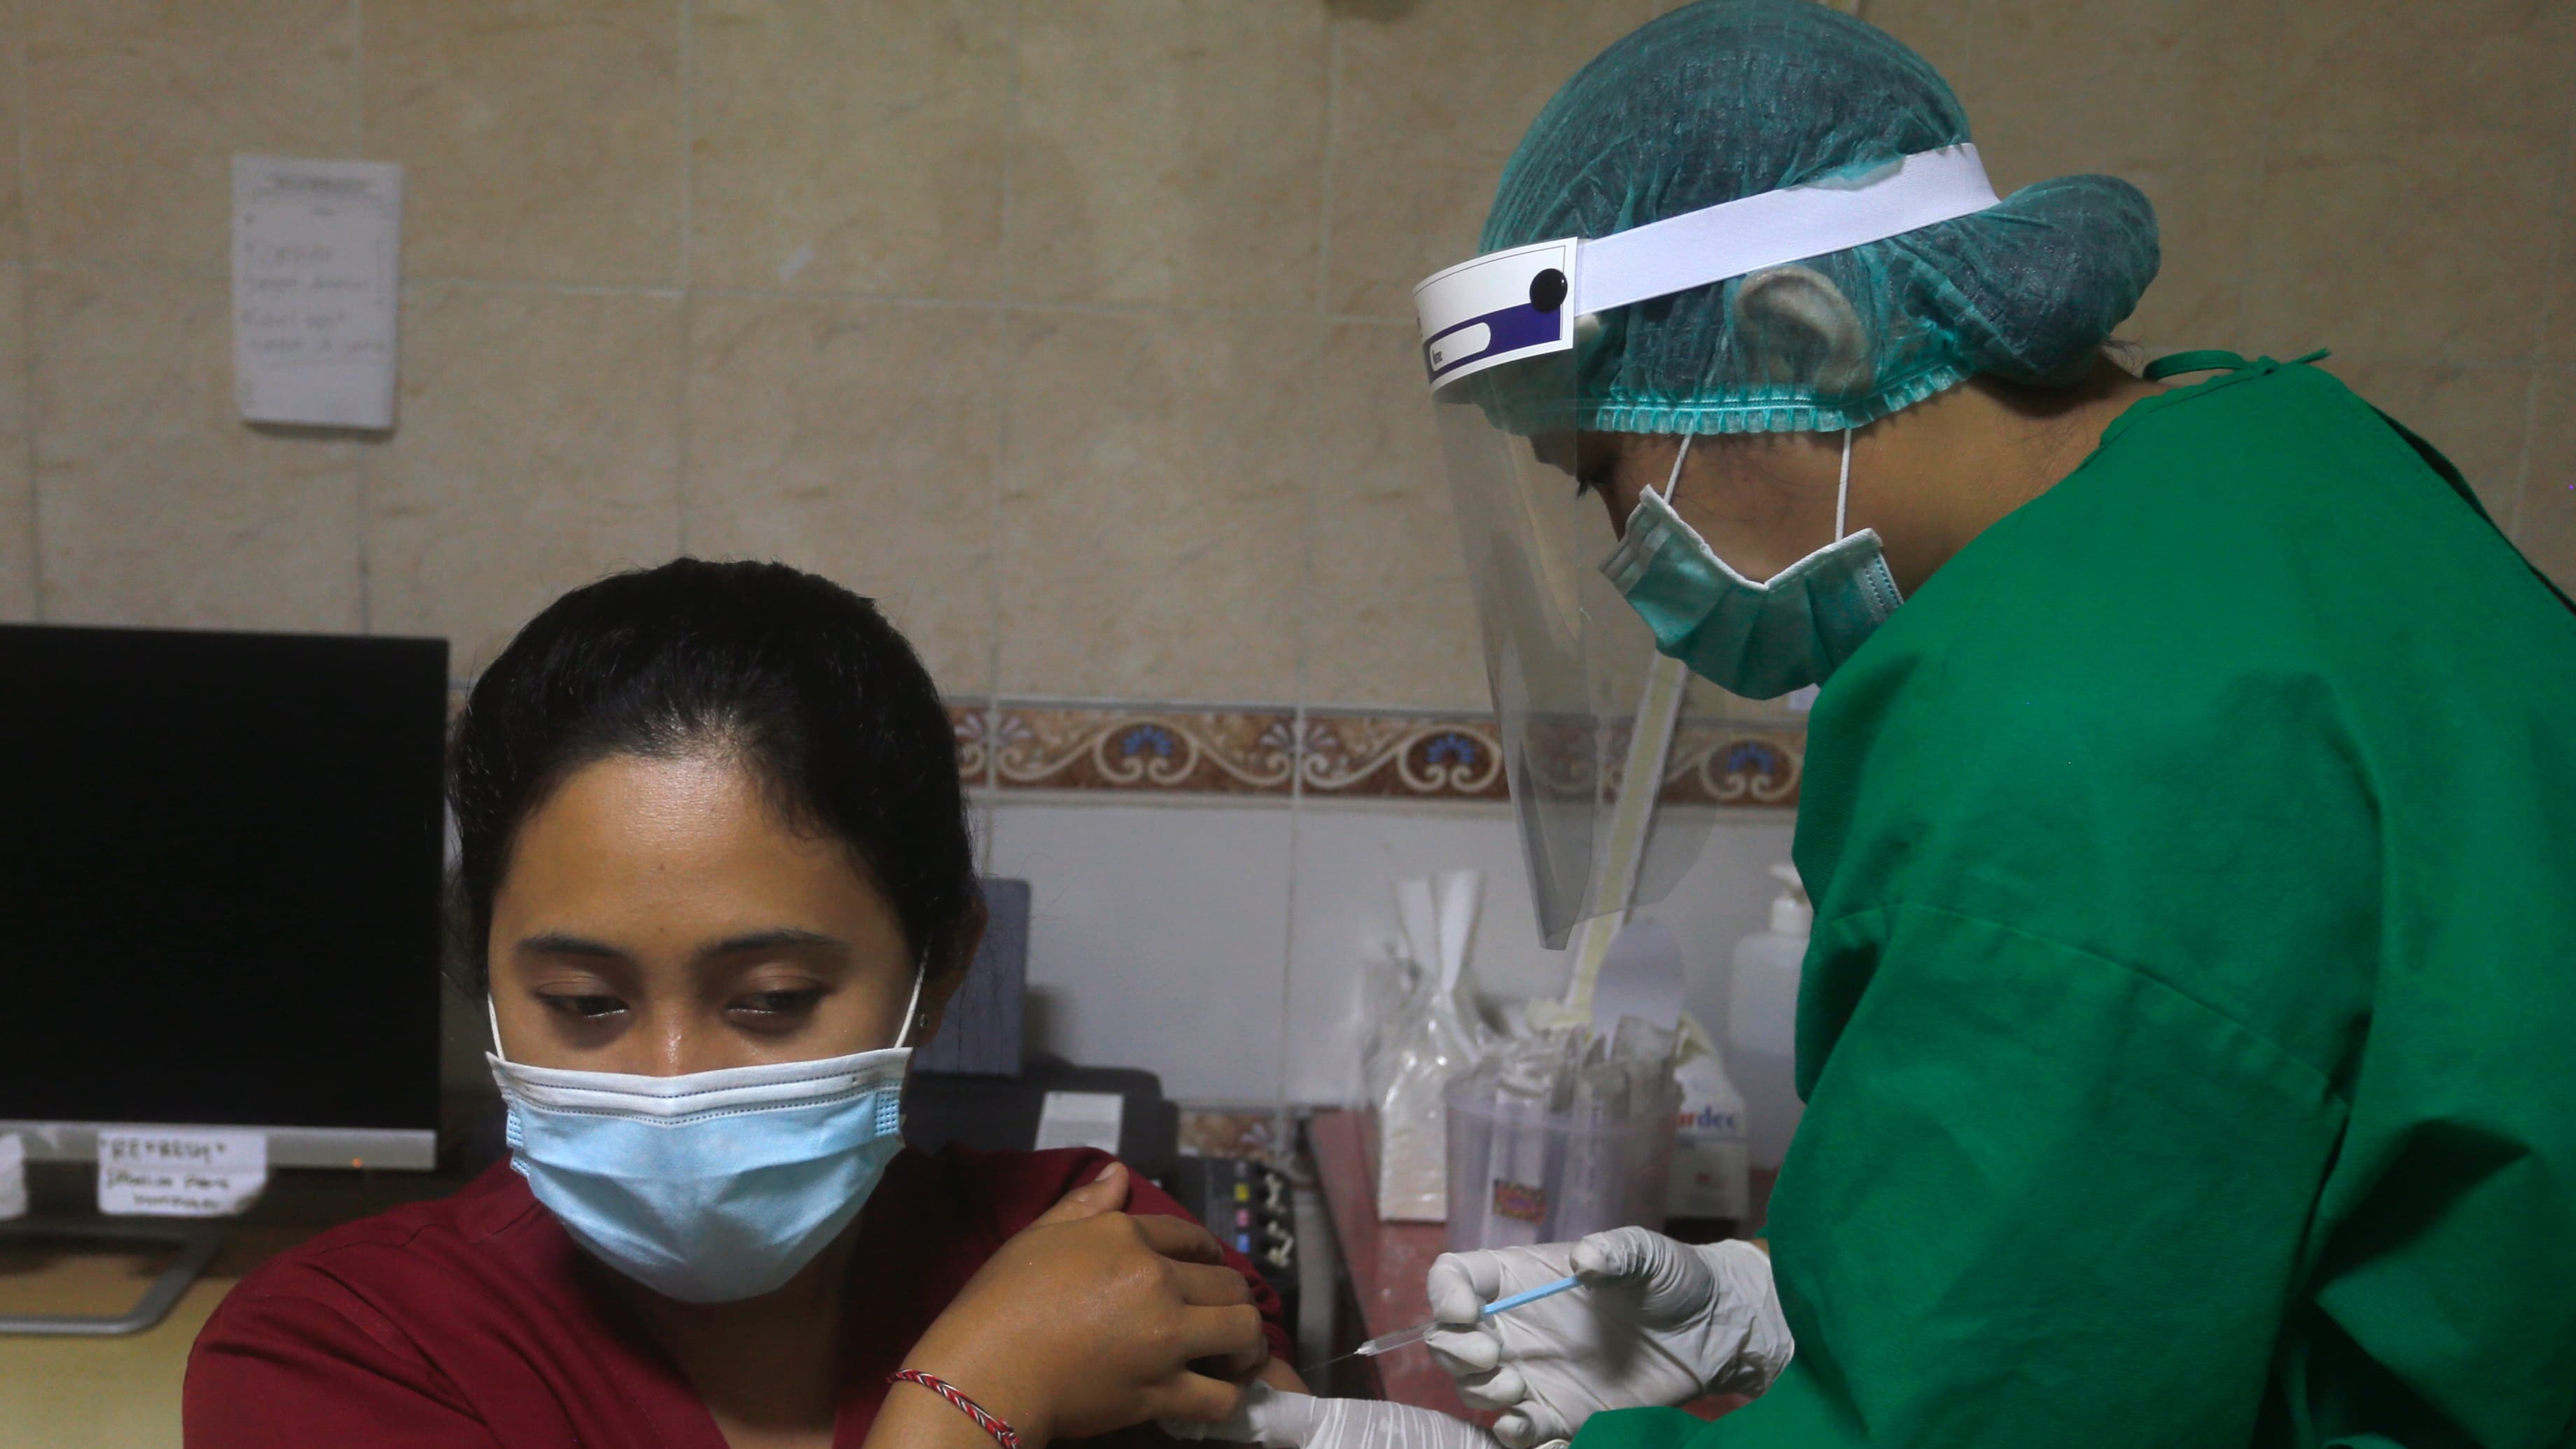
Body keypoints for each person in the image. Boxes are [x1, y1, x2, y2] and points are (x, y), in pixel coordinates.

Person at [1191, 1, 2576, 1446]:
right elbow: (2218, 1178)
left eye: (1603, 473)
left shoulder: (2073, 729)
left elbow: (1991, 1411)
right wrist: (1805, 1295)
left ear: (1801, 341)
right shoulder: (2276, 456)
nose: (1627, 554)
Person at [185, 559, 1303, 1449]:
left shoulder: (1096, 1253)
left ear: (942, 971)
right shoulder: (336, 1353)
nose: (673, 1081)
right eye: (582, 1003)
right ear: (487, 975)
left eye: (771, 1000)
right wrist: (970, 1400)